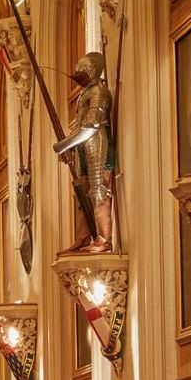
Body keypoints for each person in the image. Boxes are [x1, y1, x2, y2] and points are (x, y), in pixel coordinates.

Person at [54, 52, 115, 254]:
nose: (76, 73)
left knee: (98, 188)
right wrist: (69, 145)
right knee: (81, 192)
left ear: (89, 70)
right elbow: (80, 125)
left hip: (97, 142)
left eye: (80, 69)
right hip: (83, 144)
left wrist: (64, 145)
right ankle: (83, 237)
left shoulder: (99, 91)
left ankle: (104, 238)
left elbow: (91, 125)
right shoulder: (85, 93)